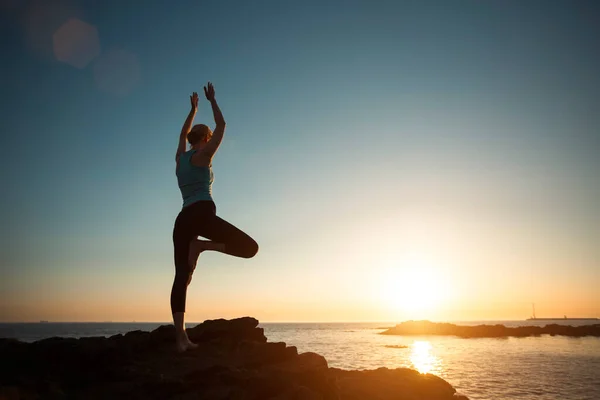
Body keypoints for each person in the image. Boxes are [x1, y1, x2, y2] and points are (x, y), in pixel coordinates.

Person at [171, 82, 259, 352]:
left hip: (182, 219)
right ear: (206, 139)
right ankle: (203, 246)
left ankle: (181, 340)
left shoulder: (180, 158)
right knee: (250, 248)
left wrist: (193, 110)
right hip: (202, 215)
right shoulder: (204, 155)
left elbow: (183, 132)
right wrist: (211, 102)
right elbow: (222, 126)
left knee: (181, 277)